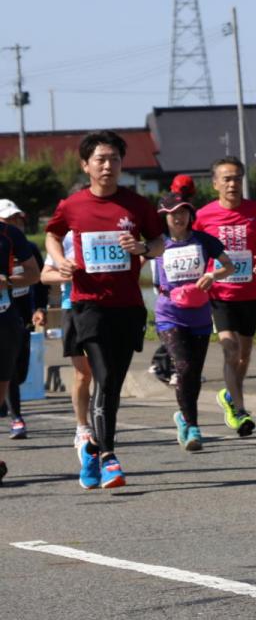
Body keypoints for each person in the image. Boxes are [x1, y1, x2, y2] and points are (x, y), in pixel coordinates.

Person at [45, 130, 165, 489]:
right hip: (88, 305)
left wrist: (142, 247)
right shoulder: (72, 205)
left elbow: (160, 243)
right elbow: (52, 234)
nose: (108, 165)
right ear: (86, 165)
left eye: (114, 158)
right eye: (100, 159)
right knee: (105, 376)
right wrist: (59, 259)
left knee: (111, 385)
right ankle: (110, 457)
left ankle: (92, 450)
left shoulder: (137, 205)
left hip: (127, 306)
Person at [194, 157, 256, 437]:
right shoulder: (203, 216)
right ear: (215, 183)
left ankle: (230, 394)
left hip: (251, 292)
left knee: (245, 353)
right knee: (231, 351)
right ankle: (240, 410)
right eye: (226, 178)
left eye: (237, 178)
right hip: (220, 293)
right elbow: (192, 247)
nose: (232, 183)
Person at [153, 192, 233, 452]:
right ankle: (193, 425)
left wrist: (213, 274)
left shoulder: (203, 240)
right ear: (164, 217)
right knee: (184, 367)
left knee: (194, 374)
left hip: (198, 314)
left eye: (183, 212)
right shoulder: (158, 244)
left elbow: (229, 266)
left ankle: (182, 417)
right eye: (173, 213)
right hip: (168, 313)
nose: (179, 217)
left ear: (190, 215)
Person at [39, 223, 93, 448]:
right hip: (73, 307)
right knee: (83, 373)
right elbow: (44, 276)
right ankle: (82, 426)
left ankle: (102, 421)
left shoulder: (105, 234)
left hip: (107, 308)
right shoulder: (65, 239)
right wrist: (66, 273)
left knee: (104, 373)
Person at [0, 208, 43, 484]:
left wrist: (7, 281)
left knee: (2, 385)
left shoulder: (9, 233)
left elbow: (34, 274)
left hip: (5, 320)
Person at [149, 174, 199, 383]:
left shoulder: (183, 207)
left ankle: (171, 366)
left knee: (181, 328)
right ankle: (168, 366)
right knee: (173, 326)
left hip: (178, 279)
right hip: (166, 275)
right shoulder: (167, 206)